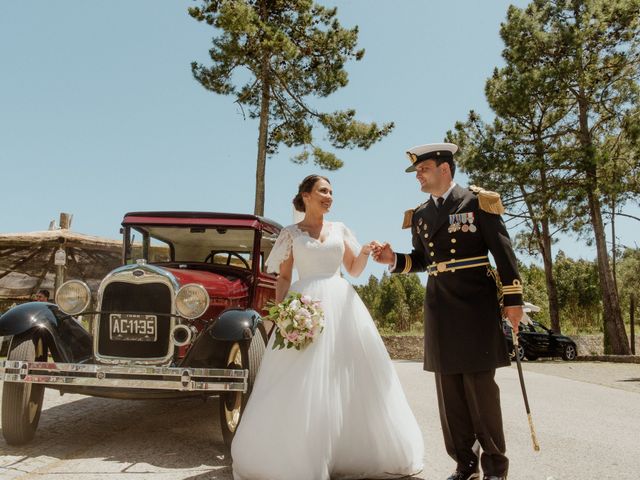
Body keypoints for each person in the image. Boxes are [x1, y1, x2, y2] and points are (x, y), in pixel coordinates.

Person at [231, 174, 424, 480]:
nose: (329, 196)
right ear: (305, 195)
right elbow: (283, 277)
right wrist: (282, 312)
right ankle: (298, 451)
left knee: (347, 374)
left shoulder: (340, 229)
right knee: (300, 377)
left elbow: (354, 270)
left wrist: (362, 251)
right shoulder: (291, 234)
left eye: (332, 192)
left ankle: (348, 449)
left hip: (341, 305)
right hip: (304, 306)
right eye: (323, 191)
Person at [372, 143, 523, 480]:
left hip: (475, 306)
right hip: (439, 307)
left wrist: (513, 300)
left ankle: (495, 468)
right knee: (450, 395)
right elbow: (423, 260)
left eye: (423, 170)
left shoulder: (477, 201)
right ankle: (465, 465)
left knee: (481, 392)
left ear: (445, 168)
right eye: (417, 172)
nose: (418, 177)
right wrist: (392, 259)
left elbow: (503, 253)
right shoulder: (422, 214)